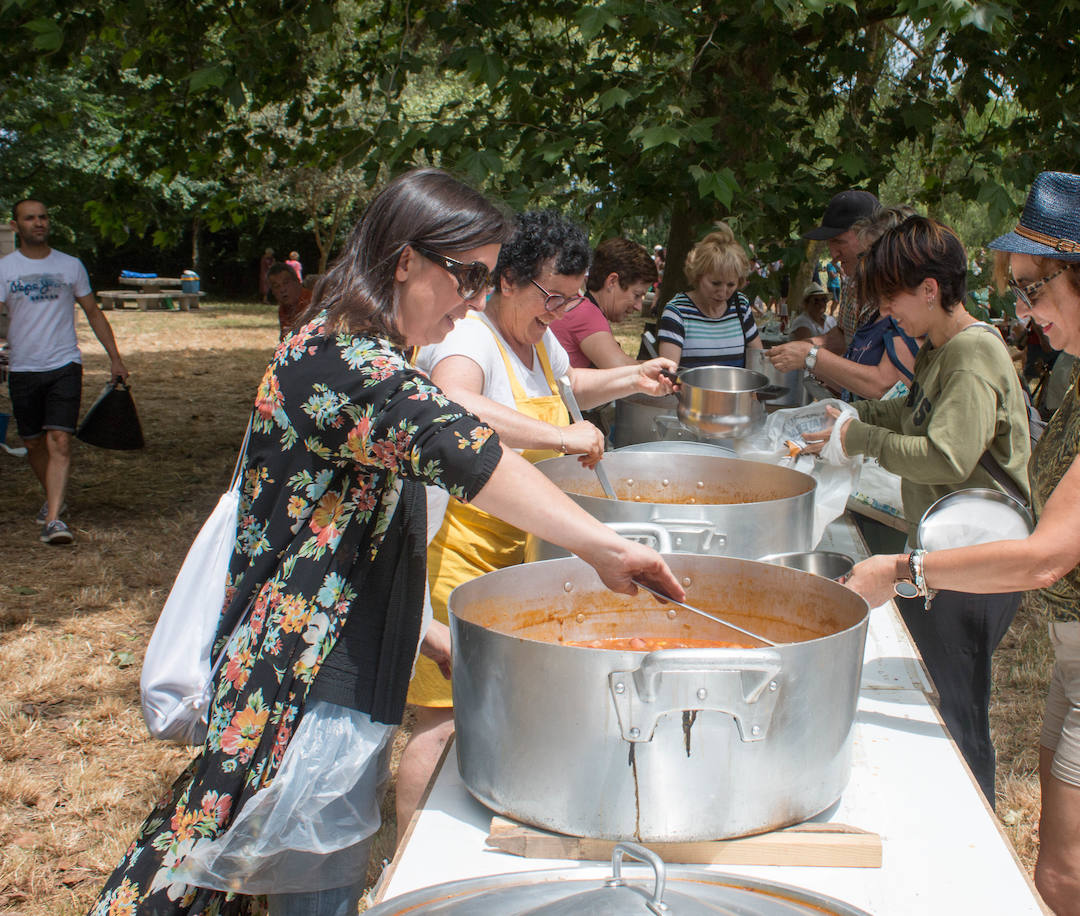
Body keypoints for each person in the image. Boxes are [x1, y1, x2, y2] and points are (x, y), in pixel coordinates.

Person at [90, 171, 683, 916]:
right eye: (467, 277)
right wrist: (606, 548)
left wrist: (424, 631)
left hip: (335, 665)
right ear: (406, 260)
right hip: (303, 685)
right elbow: (463, 448)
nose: (473, 300)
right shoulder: (343, 362)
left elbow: (351, 534)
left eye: (485, 280)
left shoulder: (367, 355)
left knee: (247, 881)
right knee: (222, 886)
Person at [845, 172, 1080, 915]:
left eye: (1034, 290)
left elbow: (1047, 553)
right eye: (1018, 291)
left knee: (1072, 880)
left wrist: (904, 567)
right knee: (1059, 871)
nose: (1023, 310)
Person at [395, 211, 677, 833]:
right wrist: (557, 435)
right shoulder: (467, 337)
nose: (562, 310)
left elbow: (569, 383)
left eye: (574, 298)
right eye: (553, 296)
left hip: (511, 553)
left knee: (487, 709)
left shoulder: (538, 337)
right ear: (507, 280)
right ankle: (408, 859)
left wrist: (633, 376)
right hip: (453, 553)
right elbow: (454, 406)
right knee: (441, 721)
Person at [804, 214, 1030, 805]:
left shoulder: (971, 355)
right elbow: (911, 417)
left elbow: (946, 457)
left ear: (930, 290)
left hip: (974, 562)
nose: (886, 315)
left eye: (892, 299)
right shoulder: (939, 349)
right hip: (944, 550)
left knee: (958, 704)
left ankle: (975, 818)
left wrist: (858, 440)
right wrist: (852, 421)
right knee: (942, 688)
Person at [2, 198, 129, 546]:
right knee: (32, 442)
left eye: (43, 217)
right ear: (16, 226)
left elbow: (93, 312)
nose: (38, 223)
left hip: (64, 365)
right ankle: (53, 497)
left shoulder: (70, 265)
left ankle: (54, 520)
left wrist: (115, 358)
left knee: (59, 438)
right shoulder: (5, 269)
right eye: (30, 218)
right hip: (23, 368)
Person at [768, 205, 920, 401]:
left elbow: (885, 387)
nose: (833, 254)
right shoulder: (874, 309)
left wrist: (811, 356)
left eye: (868, 256)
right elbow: (853, 372)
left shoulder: (910, 313)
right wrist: (808, 356)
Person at [654, 221, 761, 369]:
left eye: (731, 285)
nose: (723, 292)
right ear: (698, 276)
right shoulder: (677, 311)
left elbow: (758, 358)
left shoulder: (740, 306)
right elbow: (669, 372)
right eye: (715, 283)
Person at [551, 237, 658, 369]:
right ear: (612, 281)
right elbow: (623, 371)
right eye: (636, 295)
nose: (638, 306)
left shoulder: (577, 304)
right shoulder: (587, 314)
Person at [802, 189, 879, 342]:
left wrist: (812, 355)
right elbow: (843, 335)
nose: (833, 254)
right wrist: (806, 346)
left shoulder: (899, 291)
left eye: (839, 242)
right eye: (829, 243)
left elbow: (886, 366)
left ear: (870, 237)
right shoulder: (851, 285)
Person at [268, 261, 313, 338]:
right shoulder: (283, 309)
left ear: (298, 282)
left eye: (286, 283)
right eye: (276, 286)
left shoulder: (313, 303)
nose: (282, 289)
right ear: (272, 292)